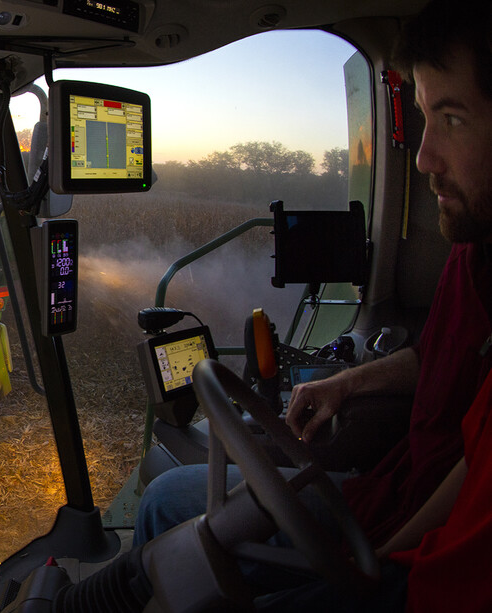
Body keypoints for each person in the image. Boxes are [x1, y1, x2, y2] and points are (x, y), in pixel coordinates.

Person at [135, 0, 492, 607]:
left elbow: (470, 488)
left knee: (167, 501)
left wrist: (370, 563)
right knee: (169, 499)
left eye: (452, 119)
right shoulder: (474, 248)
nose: (426, 158)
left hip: (409, 546)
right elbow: (436, 355)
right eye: (424, 120)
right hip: (392, 492)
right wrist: (345, 386)